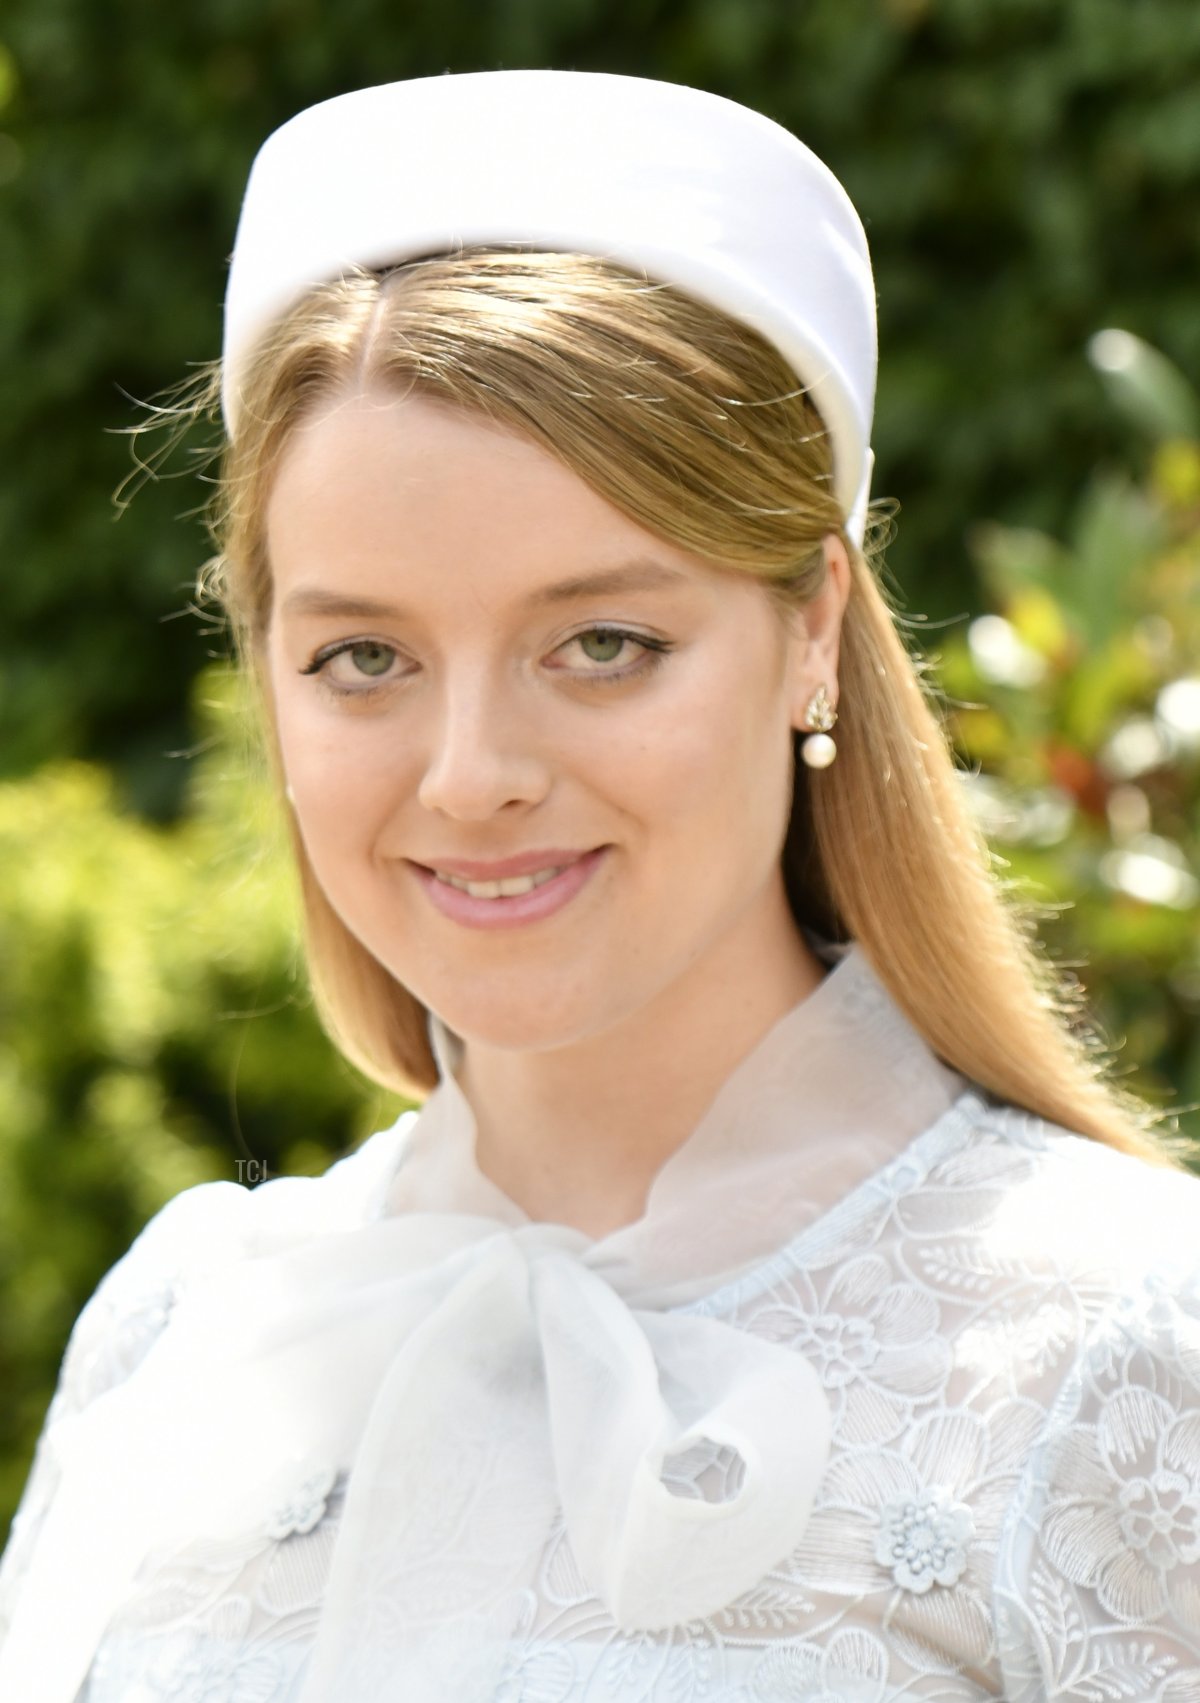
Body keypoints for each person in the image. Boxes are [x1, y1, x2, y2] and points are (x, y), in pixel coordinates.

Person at [1, 67, 1198, 1703]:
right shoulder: (180, 1328)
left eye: (604, 644)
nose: (471, 771)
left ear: (809, 629)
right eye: (364, 656)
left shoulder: (1126, 1345)